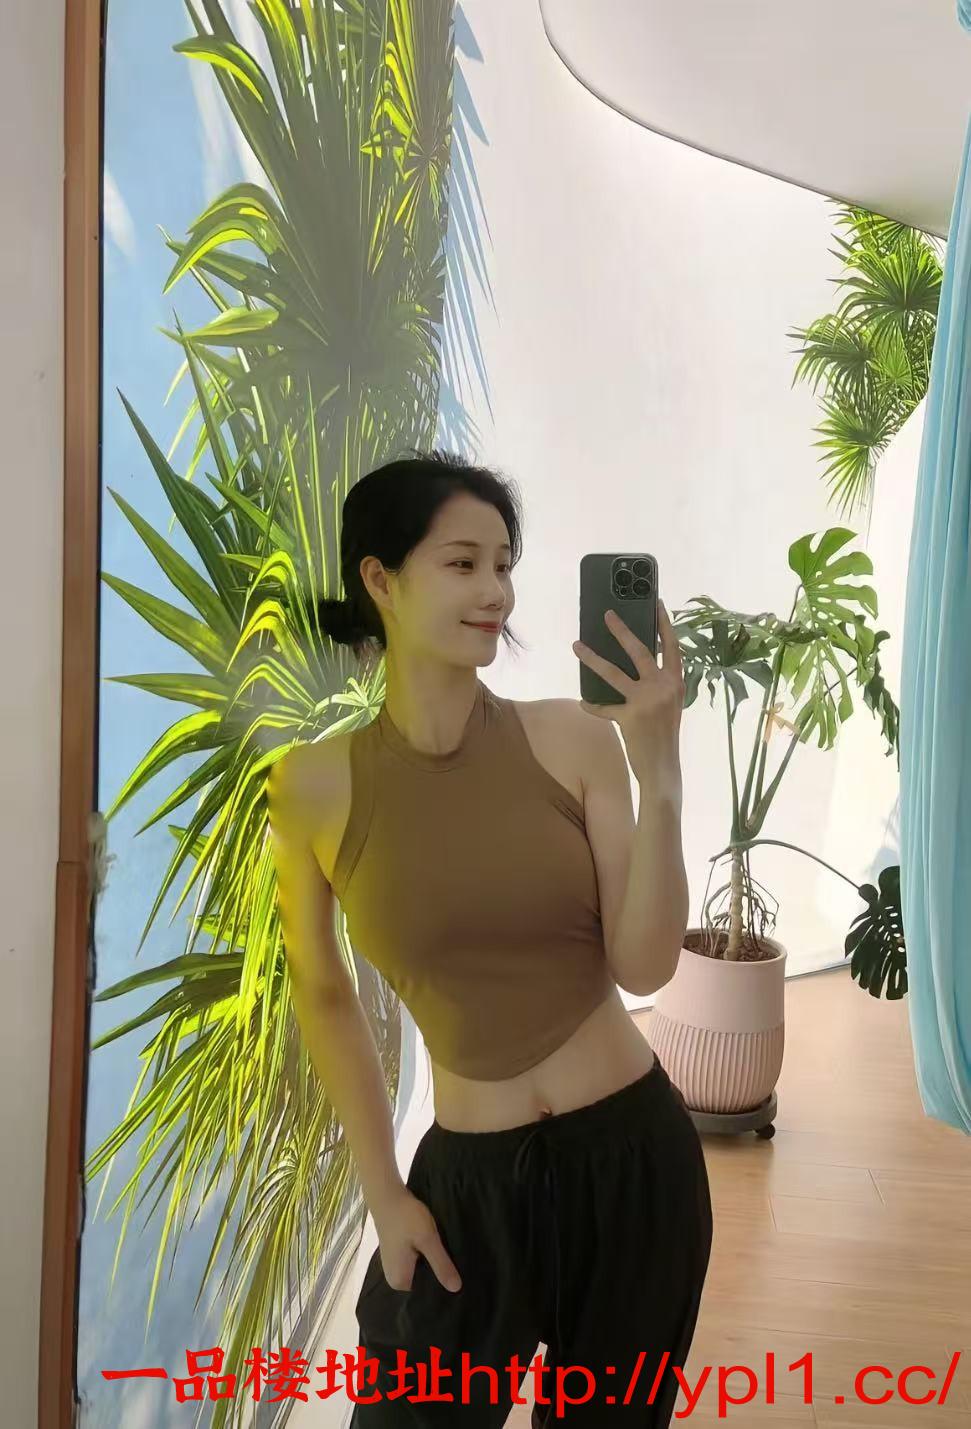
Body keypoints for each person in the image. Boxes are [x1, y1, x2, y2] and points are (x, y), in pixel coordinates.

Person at [266, 450, 712, 1426]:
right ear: (381, 579)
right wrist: (384, 1192)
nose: (496, 592)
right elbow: (323, 994)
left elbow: (643, 963)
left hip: (633, 1164)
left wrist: (661, 769)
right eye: (462, 563)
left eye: (503, 565)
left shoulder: (574, 740)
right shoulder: (311, 788)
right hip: (463, 1189)